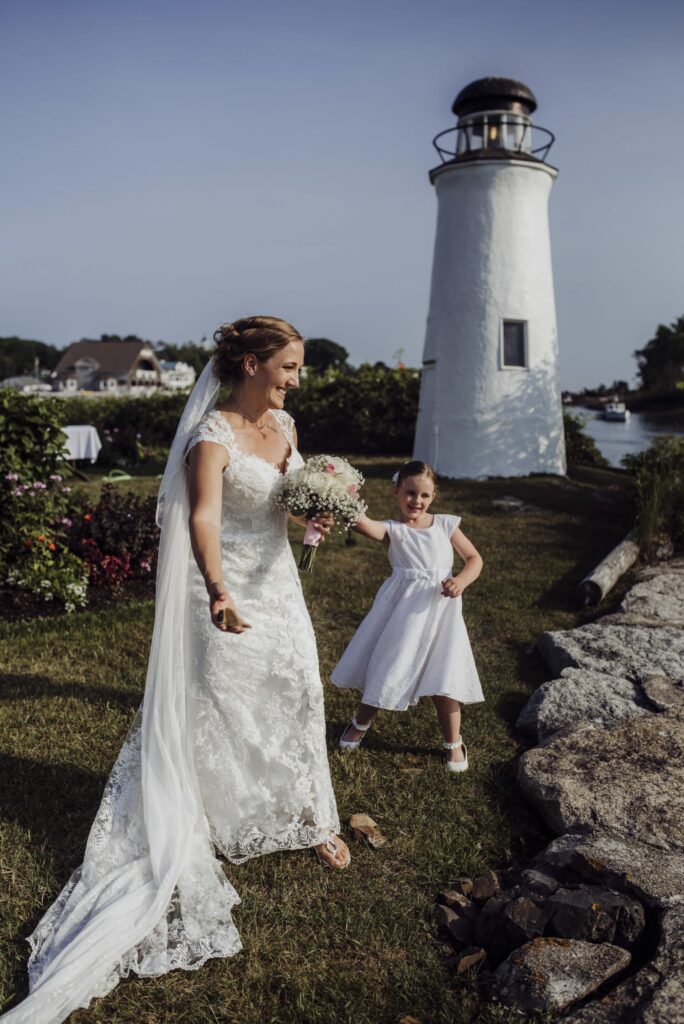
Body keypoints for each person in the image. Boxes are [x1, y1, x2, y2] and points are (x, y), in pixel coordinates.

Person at [1, 316, 348, 1024]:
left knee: (297, 689)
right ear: (250, 364)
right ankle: (213, 807)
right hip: (219, 582)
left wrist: (318, 512)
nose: (295, 379)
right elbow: (204, 521)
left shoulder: (284, 426)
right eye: (287, 366)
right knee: (221, 700)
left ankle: (308, 812)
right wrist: (219, 589)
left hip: (278, 579)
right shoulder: (210, 436)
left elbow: (288, 497)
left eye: (299, 367)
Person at [330, 460, 484, 771]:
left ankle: (453, 741)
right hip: (404, 614)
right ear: (396, 491)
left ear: (434, 497)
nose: (417, 501)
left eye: (424, 496)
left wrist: (462, 581)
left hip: (441, 612)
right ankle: (361, 723)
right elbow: (363, 524)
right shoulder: (393, 530)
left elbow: (473, 558)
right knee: (388, 665)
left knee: (445, 674)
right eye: (410, 493)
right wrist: (337, 491)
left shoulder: (445, 525)